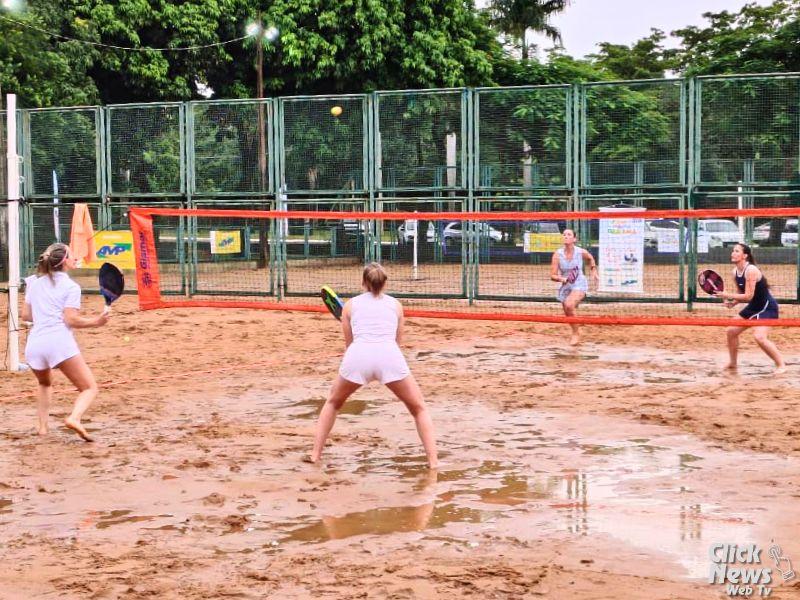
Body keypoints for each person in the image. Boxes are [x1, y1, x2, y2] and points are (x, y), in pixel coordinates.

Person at [309, 262, 438, 468]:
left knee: (333, 403)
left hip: (359, 356)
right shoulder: (396, 305)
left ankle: (315, 455)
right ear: (384, 283)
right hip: (389, 356)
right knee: (419, 409)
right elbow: (396, 342)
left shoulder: (350, 306)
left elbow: (350, 343)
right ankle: (433, 463)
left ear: (363, 282)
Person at [21, 243, 109, 441]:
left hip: (35, 344)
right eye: (71, 254)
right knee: (89, 388)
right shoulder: (71, 287)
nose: (75, 257)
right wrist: (96, 321)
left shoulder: (34, 283)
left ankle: (42, 428)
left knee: (44, 384)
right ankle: (74, 418)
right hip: (58, 342)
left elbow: (26, 315)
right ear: (64, 261)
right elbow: (71, 320)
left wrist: (45, 313)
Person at [714, 243, 785, 374]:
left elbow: (748, 296)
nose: (733, 253)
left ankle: (781, 365)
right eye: (733, 251)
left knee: (759, 337)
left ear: (745, 255)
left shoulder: (751, 270)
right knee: (731, 331)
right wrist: (732, 303)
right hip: (754, 306)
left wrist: (727, 295)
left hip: (767, 307)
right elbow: (740, 293)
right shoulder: (734, 272)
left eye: (737, 251)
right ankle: (733, 363)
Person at [550, 229, 598, 346]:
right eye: (564, 235)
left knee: (569, 304)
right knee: (567, 310)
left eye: (569, 234)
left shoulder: (580, 252)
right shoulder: (557, 254)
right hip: (566, 284)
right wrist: (562, 279)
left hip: (579, 282)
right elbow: (553, 275)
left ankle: (576, 334)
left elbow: (590, 258)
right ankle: (575, 329)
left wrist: (593, 270)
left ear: (574, 239)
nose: (566, 236)